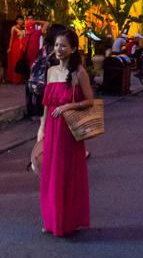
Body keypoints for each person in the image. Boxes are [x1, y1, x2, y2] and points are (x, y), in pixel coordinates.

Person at [37, 29, 92, 236]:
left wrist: (70, 106)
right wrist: (41, 127)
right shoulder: (51, 71)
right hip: (51, 129)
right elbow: (46, 102)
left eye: (63, 46)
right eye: (56, 45)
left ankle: (68, 220)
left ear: (73, 49)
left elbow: (89, 101)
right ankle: (51, 219)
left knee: (66, 174)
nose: (58, 49)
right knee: (50, 174)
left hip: (68, 131)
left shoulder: (79, 72)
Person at [27, 24, 66, 119]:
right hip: (54, 84)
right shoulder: (59, 50)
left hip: (41, 82)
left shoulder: (42, 50)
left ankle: (37, 112)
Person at [6, 16, 25, 84]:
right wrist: (10, 47)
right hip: (15, 46)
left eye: (21, 20)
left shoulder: (23, 28)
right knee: (15, 61)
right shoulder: (14, 28)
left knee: (20, 61)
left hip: (21, 46)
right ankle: (14, 79)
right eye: (19, 20)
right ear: (16, 21)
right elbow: (11, 38)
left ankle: (19, 79)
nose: (20, 21)